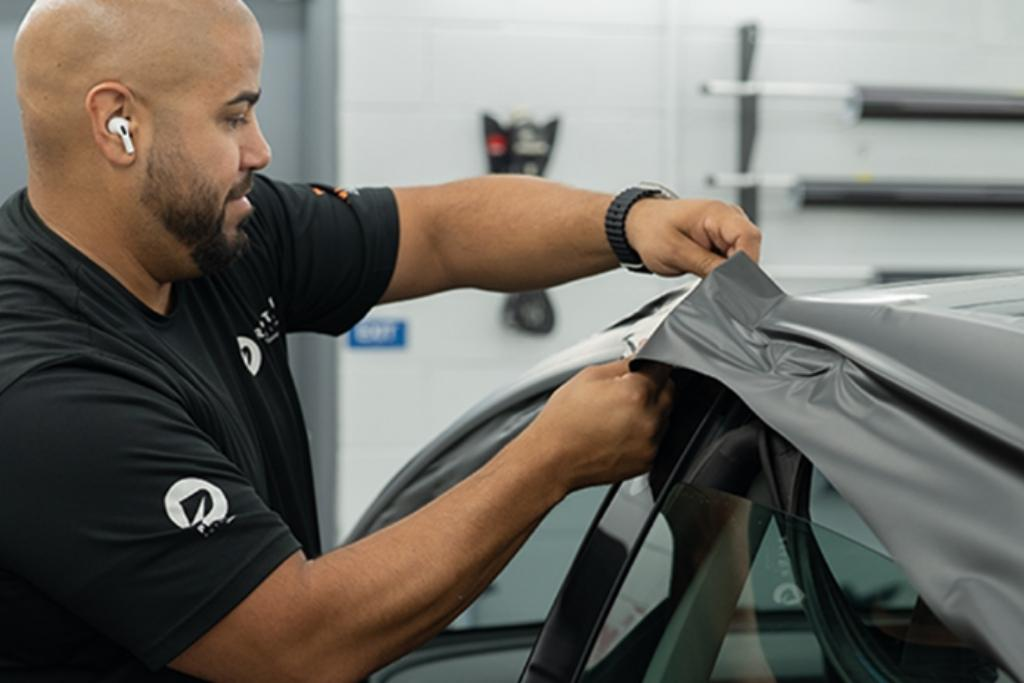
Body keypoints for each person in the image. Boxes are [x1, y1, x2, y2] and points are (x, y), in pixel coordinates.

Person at [0, 1, 761, 681]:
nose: (260, 151)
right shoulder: (48, 391)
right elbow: (296, 645)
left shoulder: (213, 234)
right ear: (119, 124)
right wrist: (551, 458)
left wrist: (632, 221)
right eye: (233, 118)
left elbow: (437, 231)